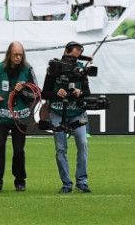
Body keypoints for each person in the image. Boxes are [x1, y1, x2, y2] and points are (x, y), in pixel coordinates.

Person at [0, 41, 39, 193]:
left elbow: (36, 93)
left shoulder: (28, 69)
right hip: (1, 116)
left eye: (20, 55)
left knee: (18, 150)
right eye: (15, 54)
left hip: (20, 117)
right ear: (9, 54)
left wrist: (23, 89)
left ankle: (20, 180)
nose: (18, 57)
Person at [42, 41, 91, 194]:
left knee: (83, 144)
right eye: (72, 55)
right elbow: (44, 93)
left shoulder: (82, 69)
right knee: (61, 149)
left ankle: (82, 181)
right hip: (57, 111)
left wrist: (80, 93)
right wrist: (57, 94)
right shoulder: (54, 67)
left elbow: (87, 92)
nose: (73, 60)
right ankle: (66, 183)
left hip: (77, 112)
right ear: (66, 51)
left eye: (77, 56)